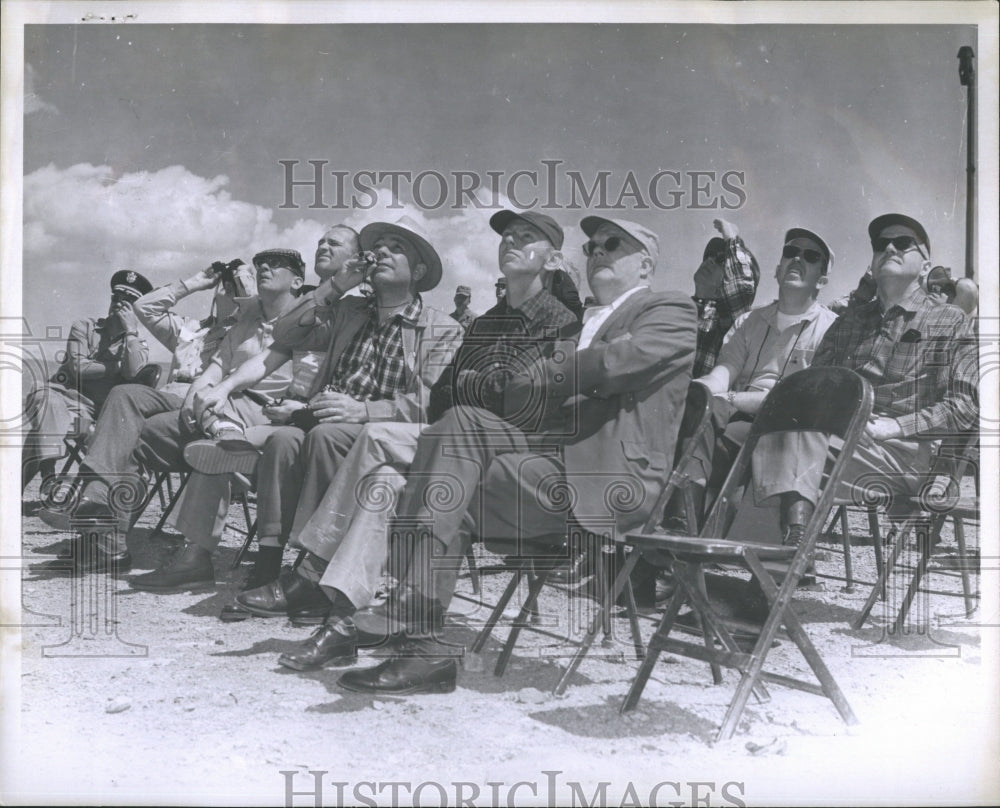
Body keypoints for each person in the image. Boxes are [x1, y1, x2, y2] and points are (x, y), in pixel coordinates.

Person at [335, 216, 697, 696]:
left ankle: (403, 611)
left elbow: (619, 363)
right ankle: (422, 643)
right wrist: (572, 369)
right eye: (591, 247)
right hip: (548, 467)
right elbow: (523, 388)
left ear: (646, 263)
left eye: (613, 245)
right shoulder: (584, 324)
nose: (598, 252)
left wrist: (561, 367)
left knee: (450, 453)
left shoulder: (669, 307)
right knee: (450, 459)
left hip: (608, 479)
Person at [266, 209, 581, 668]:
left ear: (552, 260)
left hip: (513, 455)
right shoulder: (487, 321)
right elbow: (448, 395)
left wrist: (477, 388)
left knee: (375, 436)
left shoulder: (561, 320)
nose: (512, 241)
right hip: (456, 442)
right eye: (508, 235)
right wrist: (481, 386)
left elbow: (529, 401)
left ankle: (311, 570)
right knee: (383, 485)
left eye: (527, 237)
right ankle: (341, 624)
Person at [136, 218, 464, 594]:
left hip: (376, 430)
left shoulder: (442, 328)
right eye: (381, 245)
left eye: (398, 247)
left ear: (419, 271)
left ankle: (308, 571)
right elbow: (286, 333)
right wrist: (338, 284)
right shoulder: (350, 313)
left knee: (312, 435)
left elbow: (433, 401)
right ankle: (266, 562)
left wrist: (364, 411)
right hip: (318, 419)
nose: (384, 251)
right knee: (277, 442)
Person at [34, 250, 305, 574]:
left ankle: (103, 532)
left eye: (233, 286)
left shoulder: (256, 320)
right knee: (124, 395)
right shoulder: (191, 331)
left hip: (225, 407)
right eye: (224, 285)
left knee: (132, 425)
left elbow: (262, 322)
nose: (228, 288)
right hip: (181, 399)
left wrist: (244, 286)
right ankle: (99, 518)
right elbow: (145, 307)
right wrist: (197, 282)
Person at [128, 227, 364, 591]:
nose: (322, 245)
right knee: (215, 446)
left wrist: (301, 408)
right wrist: (218, 389)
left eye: (334, 243)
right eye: (320, 241)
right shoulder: (312, 306)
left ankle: (198, 554)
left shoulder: (355, 310)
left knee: (223, 443)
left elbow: (342, 378)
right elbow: (275, 350)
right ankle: (191, 547)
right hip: (271, 416)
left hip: (311, 420)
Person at [752, 214, 979, 545]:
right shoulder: (848, 322)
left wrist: (895, 426)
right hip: (836, 438)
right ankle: (775, 554)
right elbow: (812, 389)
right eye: (880, 244)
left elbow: (965, 406)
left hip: (903, 452)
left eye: (903, 243)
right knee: (769, 429)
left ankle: (786, 557)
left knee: (790, 434)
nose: (889, 247)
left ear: (925, 263)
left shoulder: (950, 321)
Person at [691, 228, 839, 511]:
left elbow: (806, 401)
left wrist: (732, 399)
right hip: (737, 419)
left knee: (720, 447)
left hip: (789, 428)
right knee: (693, 423)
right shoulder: (749, 321)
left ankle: (692, 531)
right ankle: (679, 526)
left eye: (810, 256)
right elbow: (725, 371)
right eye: (790, 252)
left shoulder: (833, 329)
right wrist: (698, 391)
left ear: (822, 279)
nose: (797, 259)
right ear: (778, 268)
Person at [22, 270, 153, 491]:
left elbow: (132, 373)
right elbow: (79, 368)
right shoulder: (84, 327)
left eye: (129, 301)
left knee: (46, 426)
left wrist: (131, 331)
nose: (119, 304)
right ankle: (48, 477)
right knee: (49, 405)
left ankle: (38, 481)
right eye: (116, 298)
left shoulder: (137, 344)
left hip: (86, 415)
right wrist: (117, 367)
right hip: (57, 394)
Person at [691, 218, 760, 378]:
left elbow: (742, 287)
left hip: (701, 400)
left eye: (721, 259)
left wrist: (732, 239)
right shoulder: (682, 308)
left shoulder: (728, 319)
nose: (710, 260)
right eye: (708, 256)